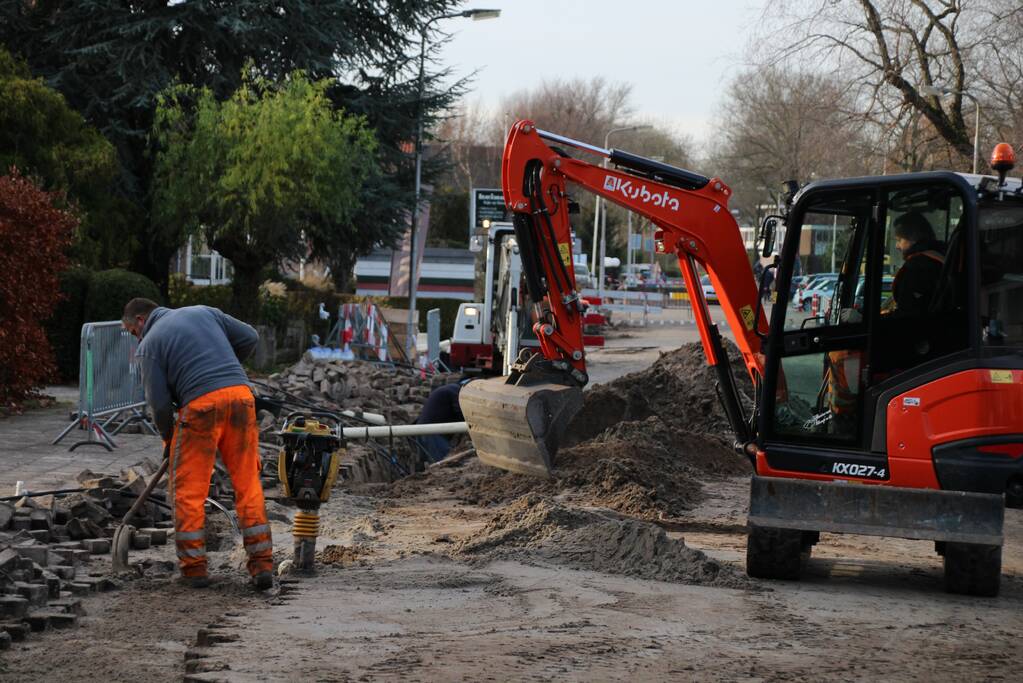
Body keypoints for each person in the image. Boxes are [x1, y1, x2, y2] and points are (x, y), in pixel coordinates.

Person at [122, 298, 273, 590]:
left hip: (201, 407)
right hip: (241, 397)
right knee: (248, 484)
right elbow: (250, 337)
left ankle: (194, 570)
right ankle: (262, 564)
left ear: (140, 320)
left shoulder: (149, 345)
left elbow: (159, 405)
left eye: (132, 332)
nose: (135, 338)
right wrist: (223, 368)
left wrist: (168, 438)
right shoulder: (204, 312)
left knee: (188, 491)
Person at [890, 211, 945, 315]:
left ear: (914, 237)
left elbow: (908, 310)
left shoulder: (917, 267)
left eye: (899, 240)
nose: (897, 246)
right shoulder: (940, 256)